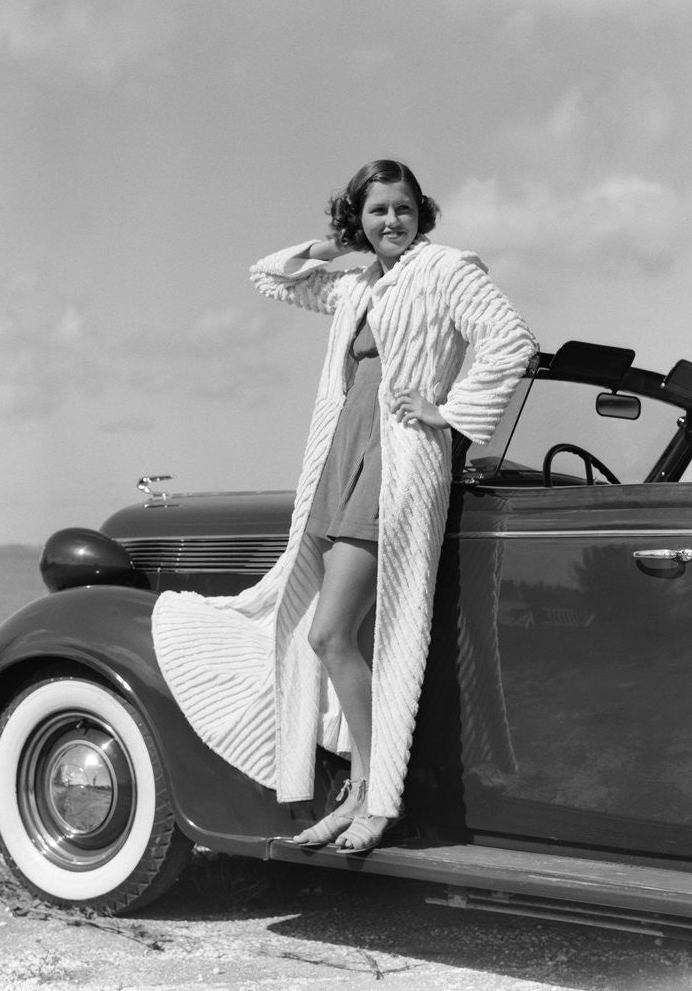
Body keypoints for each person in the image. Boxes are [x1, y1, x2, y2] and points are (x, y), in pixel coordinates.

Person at [152, 159, 536, 854]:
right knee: (347, 638)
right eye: (377, 210)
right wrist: (337, 245)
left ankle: (376, 794)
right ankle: (359, 790)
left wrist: (449, 413)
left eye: (404, 208)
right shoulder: (358, 282)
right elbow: (270, 276)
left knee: (329, 634)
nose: (393, 221)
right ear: (358, 217)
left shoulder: (446, 269)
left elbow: (511, 342)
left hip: (397, 462)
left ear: (422, 212)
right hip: (341, 457)